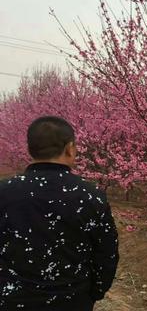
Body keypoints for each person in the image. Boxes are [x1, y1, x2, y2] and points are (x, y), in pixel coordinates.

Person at [0, 116, 119, 310]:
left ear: (29, 149)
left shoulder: (4, 193)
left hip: (12, 301)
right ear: (70, 148)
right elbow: (106, 254)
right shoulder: (91, 196)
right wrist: (94, 293)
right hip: (72, 300)